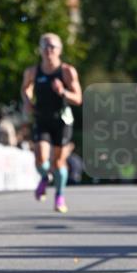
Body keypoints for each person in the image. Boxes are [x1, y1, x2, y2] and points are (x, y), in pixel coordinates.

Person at [21, 33, 82, 213]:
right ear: (40, 50)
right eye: (45, 46)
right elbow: (25, 88)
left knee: (58, 162)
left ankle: (59, 196)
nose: (49, 50)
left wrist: (63, 92)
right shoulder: (33, 71)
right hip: (41, 118)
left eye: (52, 47)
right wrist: (27, 101)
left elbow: (78, 98)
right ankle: (45, 177)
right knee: (40, 158)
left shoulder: (67, 71)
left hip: (62, 120)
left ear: (59, 50)